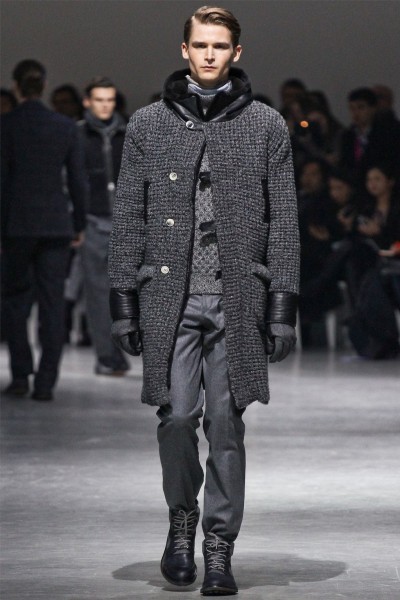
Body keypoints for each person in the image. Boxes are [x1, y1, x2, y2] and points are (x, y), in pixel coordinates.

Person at [108, 6, 299, 596]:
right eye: (200, 45)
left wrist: (281, 308)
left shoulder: (266, 124)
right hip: (170, 298)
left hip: (238, 298)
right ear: (184, 50)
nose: (210, 54)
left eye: (220, 45)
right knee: (176, 419)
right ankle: (181, 519)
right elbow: (129, 215)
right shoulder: (147, 124)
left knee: (224, 424)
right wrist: (123, 301)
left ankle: (218, 546)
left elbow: (283, 221)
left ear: (236, 53)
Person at [1, 59, 86, 400]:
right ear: (44, 85)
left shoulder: (6, 125)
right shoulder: (65, 126)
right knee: (53, 304)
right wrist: (79, 223)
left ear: (16, 86)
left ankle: (21, 375)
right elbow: (78, 180)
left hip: (17, 225)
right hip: (55, 223)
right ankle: (46, 382)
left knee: (15, 302)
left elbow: (1, 182)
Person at [78, 77, 130, 375]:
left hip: (128, 224)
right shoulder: (77, 135)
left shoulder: (130, 133)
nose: (105, 106)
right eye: (99, 100)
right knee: (98, 295)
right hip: (93, 222)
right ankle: (107, 356)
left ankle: (124, 350)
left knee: (130, 291)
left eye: (109, 100)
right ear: (87, 102)